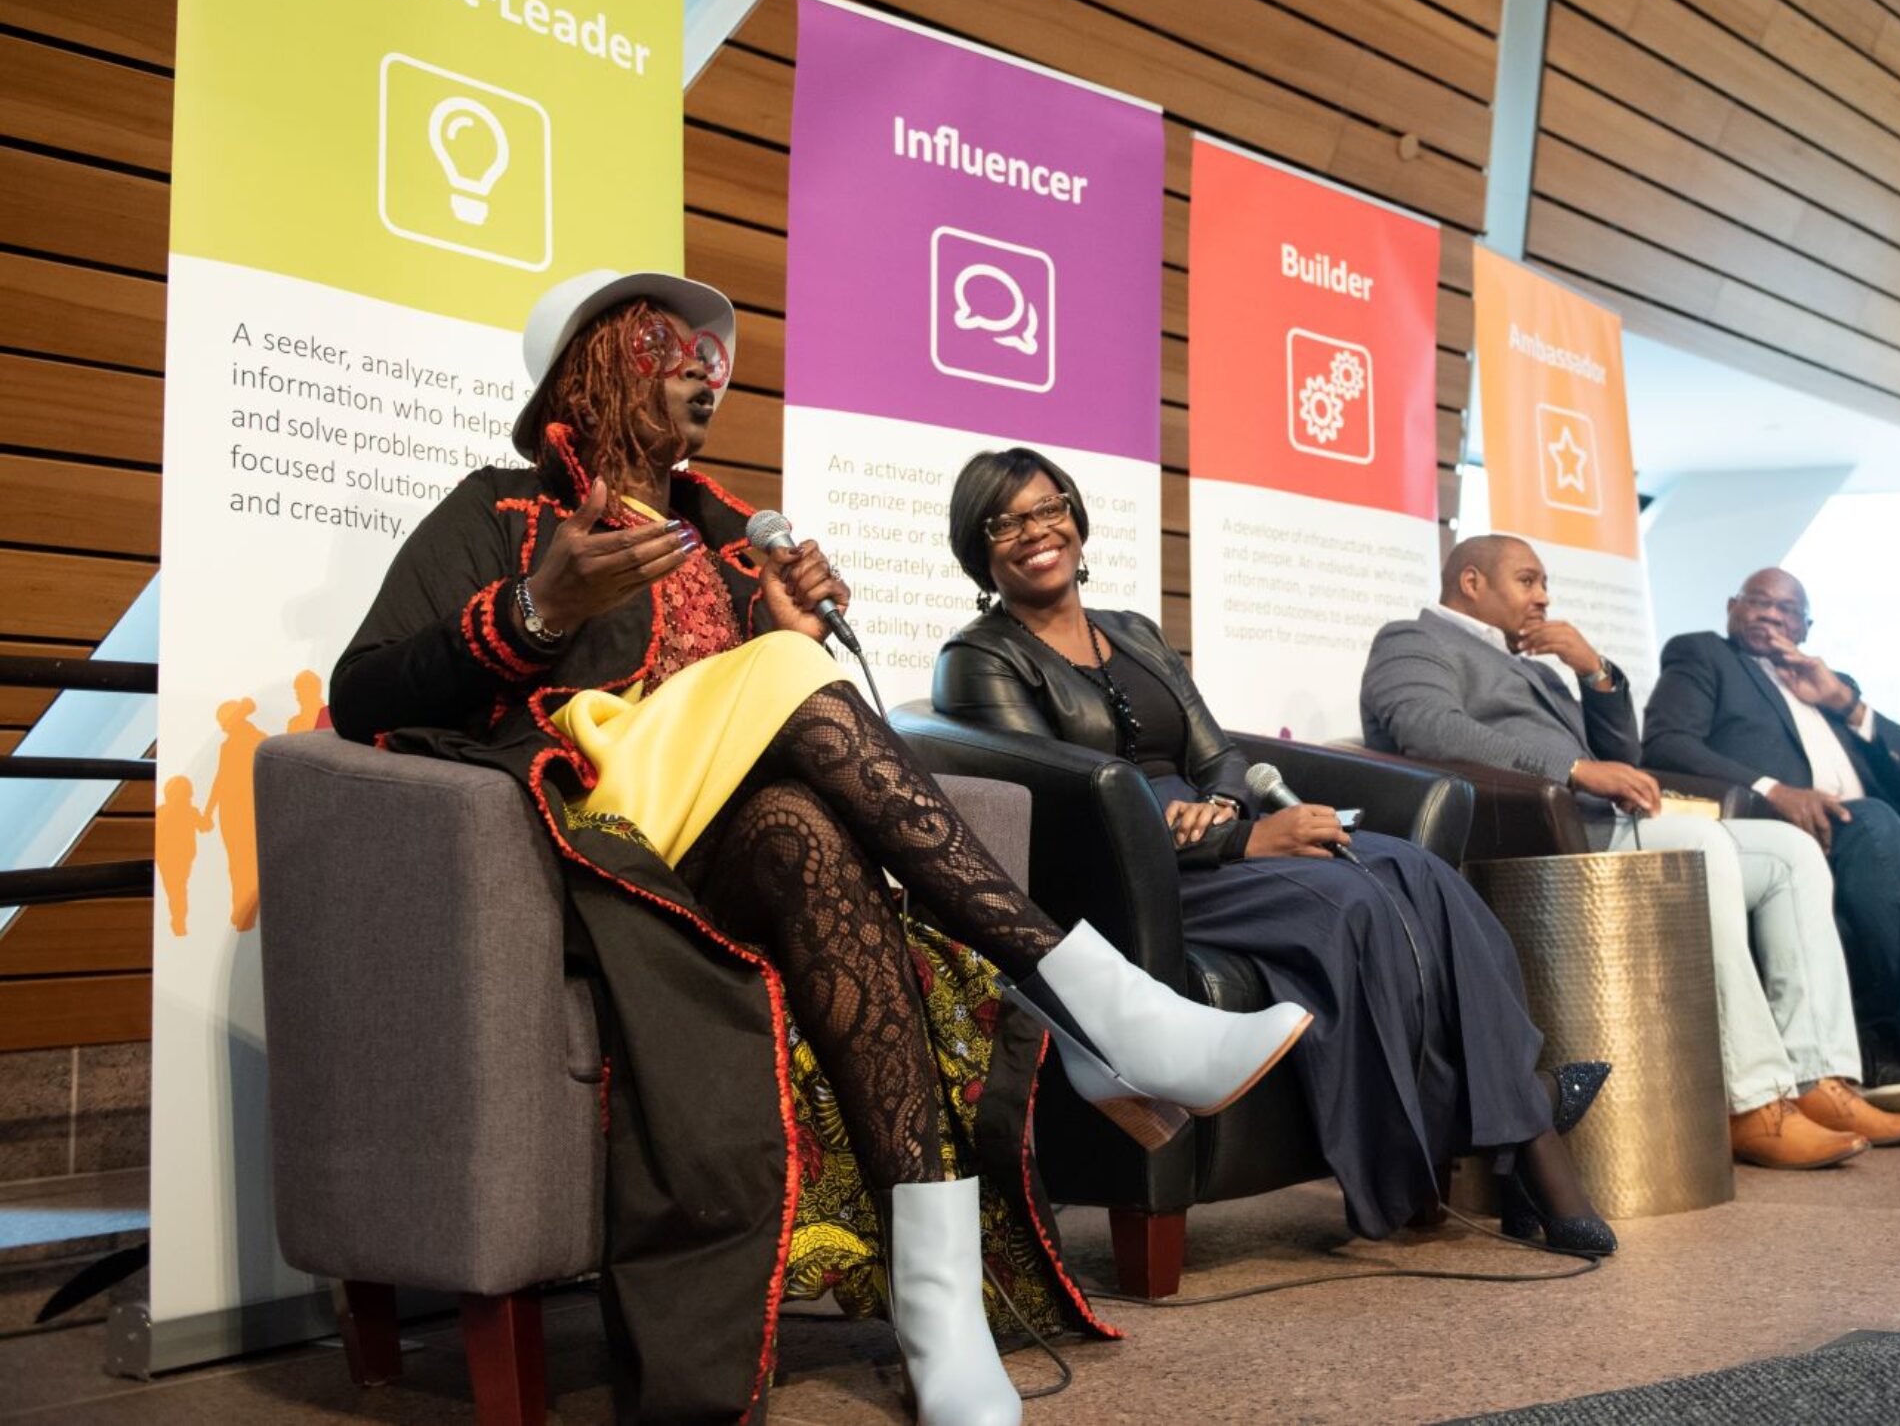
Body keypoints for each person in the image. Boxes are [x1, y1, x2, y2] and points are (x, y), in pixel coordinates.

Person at [330, 270, 1309, 1426]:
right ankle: (1099, 1006)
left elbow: (775, 740)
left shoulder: (730, 538)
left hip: (728, 830)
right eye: (669, 344)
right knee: (800, 676)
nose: (704, 366)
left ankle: (937, 1311)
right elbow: (364, 693)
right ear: (588, 367)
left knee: (810, 841)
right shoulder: (506, 512)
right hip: (609, 823)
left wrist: (778, 629)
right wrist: (536, 611)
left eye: (716, 353)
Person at [932, 449, 1615, 1255]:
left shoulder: (1135, 633)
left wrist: (1222, 805)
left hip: (1211, 840)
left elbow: (1215, 751)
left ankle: (1525, 1136)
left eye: (1049, 508)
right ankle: (1534, 1129)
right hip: (1128, 879)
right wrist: (1242, 836)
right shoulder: (978, 659)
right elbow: (1063, 801)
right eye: (1004, 522)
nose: (1035, 531)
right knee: (1354, 902)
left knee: (1421, 874)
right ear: (978, 550)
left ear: (1077, 519)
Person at [1361, 535, 1900, 1169]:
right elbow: (1428, 730)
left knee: (1789, 853)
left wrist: (1595, 672)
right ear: (1471, 582)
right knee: (1699, 844)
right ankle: (1751, 1101)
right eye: (1528, 581)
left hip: (1595, 824)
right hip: (1526, 837)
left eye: (1545, 583)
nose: (1544, 596)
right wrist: (1574, 769)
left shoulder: (1535, 665)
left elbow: (1624, 760)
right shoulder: (1413, 640)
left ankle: (1818, 1079)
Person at [1642, 569, 1900, 1122]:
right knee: (1870, 817)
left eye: (1787, 609)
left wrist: (1844, 700)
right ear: (1730, 607)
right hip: (1789, 840)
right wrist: (1773, 792)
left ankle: (1878, 1045)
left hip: (1872, 850)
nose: (1771, 614)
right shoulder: (1705, 656)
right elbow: (1667, 743)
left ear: (1806, 626)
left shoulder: (1826, 685)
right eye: (1758, 602)